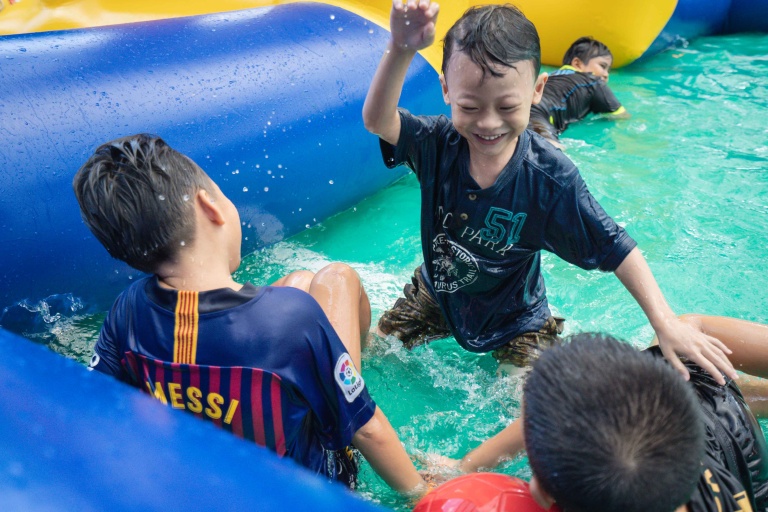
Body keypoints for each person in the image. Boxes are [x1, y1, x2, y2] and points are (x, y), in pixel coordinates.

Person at [362, 1, 735, 384]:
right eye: (470, 106)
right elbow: (377, 120)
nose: (488, 123)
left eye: (508, 105)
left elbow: (616, 246)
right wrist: (402, 48)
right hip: (438, 293)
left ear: (537, 90)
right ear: (446, 90)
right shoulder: (437, 144)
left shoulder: (550, 179)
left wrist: (666, 322)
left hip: (519, 319)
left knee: (524, 405)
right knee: (373, 356)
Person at [73, 134, 427, 495]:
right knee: (339, 278)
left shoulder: (128, 309)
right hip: (309, 488)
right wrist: (422, 494)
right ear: (208, 205)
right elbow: (367, 430)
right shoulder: (290, 320)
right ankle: (350, 370)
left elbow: (99, 400)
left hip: (206, 480)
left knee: (301, 282)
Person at [441, 315, 768, 512]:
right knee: (683, 332)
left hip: (730, 446)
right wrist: (465, 465)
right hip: (724, 425)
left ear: (540, 492)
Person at [528, 36, 629, 149]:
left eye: (608, 70)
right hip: (539, 115)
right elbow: (622, 116)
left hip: (522, 107)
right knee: (551, 150)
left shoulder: (552, 76)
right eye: (602, 66)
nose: (606, 74)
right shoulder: (592, 81)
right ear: (577, 64)